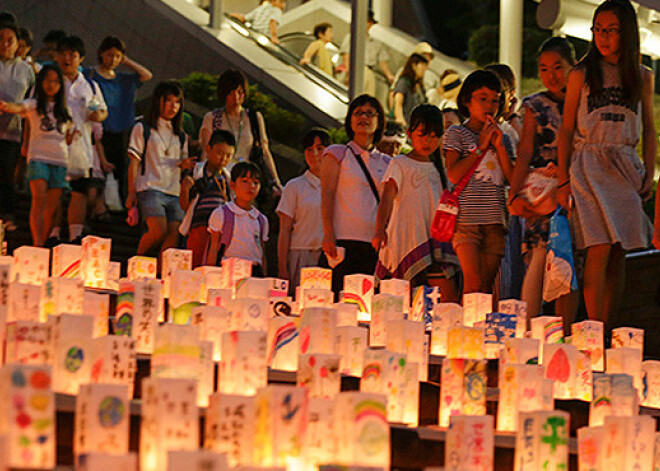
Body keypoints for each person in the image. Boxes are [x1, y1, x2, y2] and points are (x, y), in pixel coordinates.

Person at [557, 0, 655, 331]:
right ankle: (593, 332)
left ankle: (608, 328)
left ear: (626, 34)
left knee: (619, 253)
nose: (603, 37)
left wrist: (649, 171)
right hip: (588, 163)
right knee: (597, 248)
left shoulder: (641, 76)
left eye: (611, 31)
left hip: (626, 164)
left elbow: (650, 128)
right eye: (598, 30)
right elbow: (567, 128)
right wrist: (561, 179)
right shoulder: (581, 73)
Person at [508, 37, 578, 329]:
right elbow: (525, 151)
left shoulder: (585, 100)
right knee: (539, 257)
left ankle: (562, 331)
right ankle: (529, 328)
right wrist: (514, 192)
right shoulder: (534, 105)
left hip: (577, 187)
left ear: (573, 67)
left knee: (568, 263)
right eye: (544, 68)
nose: (551, 75)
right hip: (543, 191)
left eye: (558, 67)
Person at [373, 104, 460, 300]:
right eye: (422, 134)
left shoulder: (443, 169)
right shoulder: (400, 163)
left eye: (433, 136)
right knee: (401, 296)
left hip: (436, 237)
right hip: (406, 235)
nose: (427, 141)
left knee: (447, 297)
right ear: (410, 133)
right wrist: (379, 228)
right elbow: (387, 197)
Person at [444, 69, 515, 295]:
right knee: (472, 285)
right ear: (467, 101)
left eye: (495, 101)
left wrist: (500, 146)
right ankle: (465, 329)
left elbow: (512, 178)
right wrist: (480, 148)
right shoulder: (457, 133)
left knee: (485, 290)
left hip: (495, 221)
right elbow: (454, 175)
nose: (489, 106)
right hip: (466, 221)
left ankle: (479, 329)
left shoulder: (503, 137)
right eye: (482, 99)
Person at [320, 94, 390, 296]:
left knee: (368, 305)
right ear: (350, 119)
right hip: (342, 241)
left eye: (370, 113)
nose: (364, 118)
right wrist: (328, 233)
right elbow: (327, 195)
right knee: (336, 301)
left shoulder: (387, 162)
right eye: (358, 113)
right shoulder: (337, 153)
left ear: (379, 122)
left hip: (374, 245)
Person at [0, 64, 74, 246]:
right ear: (41, 83)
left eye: (56, 81)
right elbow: (16, 107)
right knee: (39, 200)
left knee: (52, 207)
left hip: (60, 160)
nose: (51, 85)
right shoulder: (33, 105)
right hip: (38, 157)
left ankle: (43, 241)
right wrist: (4, 105)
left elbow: (69, 137)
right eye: (48, 80)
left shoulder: (65, 111)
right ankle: (38, 243)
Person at [126, 81, 194, 259]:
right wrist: (131, 193)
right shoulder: (143, 128)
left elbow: (182, 164)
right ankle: (137, 262)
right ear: (158, 101)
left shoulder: (181, 135)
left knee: (173, 234)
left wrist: (184, 165)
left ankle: (161, 275)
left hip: (174, 190)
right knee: (158, 229)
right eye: (169, 100)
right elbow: (133, 162)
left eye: (177, 102)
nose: (174, 106)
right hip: (150, 187)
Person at [85, 36, 153, 202]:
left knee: (124, 170)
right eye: (109, 55)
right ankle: (98, 207)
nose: (113, 60)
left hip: (123, 129)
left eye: (117, 56)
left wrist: (126, 61)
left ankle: (126, 206)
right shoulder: (90, 74)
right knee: (96, 170)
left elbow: (146, 75)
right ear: (101, 53)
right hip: (99, 128)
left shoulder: (124, 79)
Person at [55, 35, 108, 243]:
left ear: (81, 59)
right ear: (56, 56)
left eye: (73, 55)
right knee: (55, 191)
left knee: (80, 191)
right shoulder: (50, 80)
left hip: (81, 146)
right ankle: (53, 233)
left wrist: (97, 115)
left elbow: (100, 111)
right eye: (63, 54)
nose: (67, 59)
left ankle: (75, 235)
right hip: (53, 145)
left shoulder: (89, 86)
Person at [198, 69, 282, 194]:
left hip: (245, 180)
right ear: (224, 94)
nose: (236, 98)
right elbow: (206, 151)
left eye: (240, 93)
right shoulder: (213, 118)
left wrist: (275, 181)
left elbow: (264, 150)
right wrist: (200, 177)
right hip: (219, 179)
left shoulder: (254, 118)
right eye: (231, 93)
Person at [277, 128, 329, 291]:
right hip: (300, 256)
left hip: (328, 257)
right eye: (309, 149)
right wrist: (282, 267)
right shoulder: (294, 186)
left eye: (320, 149)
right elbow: (284, 230)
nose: (314, 154)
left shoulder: (339, 186)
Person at [0, 22, 35, 231]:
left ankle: (7, 215)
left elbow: (33, 102)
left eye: (10, 40)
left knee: (6, 173)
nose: (5, 44)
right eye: (1, 39)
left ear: (17, 44)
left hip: (13, 132)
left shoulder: (27, 70)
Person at [180, 129, 233, 268]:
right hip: (199, 227)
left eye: (228, 156)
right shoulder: (195, 172)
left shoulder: (228, 179)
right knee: (196, 266)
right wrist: (185, 189)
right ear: (208, 149)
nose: (223, 159)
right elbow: (185, 206)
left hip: (219, 232)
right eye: (219, 153)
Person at [206, 161, 269, 276]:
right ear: (233, 185)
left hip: (254, 271)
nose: (251, 186)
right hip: (229, 269)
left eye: (256, 182)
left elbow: (262, 252)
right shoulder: (221, 213)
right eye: (245, 181)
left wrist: (264, 276)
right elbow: (214, 248)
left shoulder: (261, 219)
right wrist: (210, 275)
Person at [339, 10, 394, 94]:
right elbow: (346, 55)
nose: (369, 25)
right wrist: (348, 71)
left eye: (370, 22)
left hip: (370, 72)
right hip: (356, 69)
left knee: (369, 98)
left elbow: (382, 61)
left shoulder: (375, 43)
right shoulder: (351, 37)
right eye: (367, 21)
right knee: (356, 95)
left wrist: (389, 75)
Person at [484, 63, 522, 148]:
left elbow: (526, 150)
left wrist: (512, 116)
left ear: (511, 94)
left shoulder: (509, 131)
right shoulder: (469, 129)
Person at [392, 53, 429, 127]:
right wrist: (401, 121)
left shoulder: (420, 86)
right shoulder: (404, 82)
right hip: (405, 124)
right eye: (422, 65)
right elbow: (398, 104)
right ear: (414, 66)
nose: (423, 69)